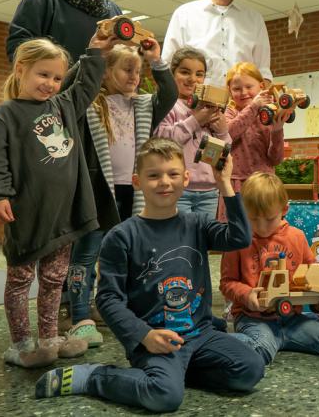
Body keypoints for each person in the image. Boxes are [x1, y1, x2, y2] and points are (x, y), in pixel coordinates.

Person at [34, 138, 265, 412]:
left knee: (251, 370)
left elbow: (239, 237)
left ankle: (175, 374)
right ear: (137, 181)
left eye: (173, 174)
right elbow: (108, 299)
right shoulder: (121, 237)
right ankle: (94, 377)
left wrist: (224, 184)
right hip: (154, 339)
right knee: (164, 397)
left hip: (200, 334)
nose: (164, 182)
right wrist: (144, 336)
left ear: (186, 179)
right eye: (153, 175)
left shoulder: (198, 223)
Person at [0, 35, 113, 368]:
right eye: (43, 75)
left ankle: (50, 336)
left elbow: (86, 86)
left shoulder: (64, 106)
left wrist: (96, 52)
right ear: (21, 69)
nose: (51, 84)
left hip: (64, 215)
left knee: (55, 280)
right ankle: (21, 343)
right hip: (28, 213)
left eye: (57, 77)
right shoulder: (5, 115)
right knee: (20, 279)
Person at [65, 40, 176, 348]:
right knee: (86, 255)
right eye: (127, 69)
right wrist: (93, 55)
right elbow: (68, 85)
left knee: (130, 256)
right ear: (105, 72)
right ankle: (79, 317)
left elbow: (169, 94)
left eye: (138, 71)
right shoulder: (90, 104)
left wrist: (156, 61)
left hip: (132, 193)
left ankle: (122, 309)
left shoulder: (142, 104)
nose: (134, 77)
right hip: (98, 192)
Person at [219, 172, 319, 365]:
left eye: (269, 219)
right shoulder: (238, 240)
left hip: (292, 320)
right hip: (253, 319)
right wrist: (247, 295)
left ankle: (278, 340)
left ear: (284, 210)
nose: (262, 227)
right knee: (257, 352)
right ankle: (220, 343)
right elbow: (226, 283)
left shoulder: (296, 237)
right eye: (253, 219)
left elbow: (313, 278)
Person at [155, 47, 230, 221]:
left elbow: (225, 152)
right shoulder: (169, 106)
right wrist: (196, 120)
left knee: (202, 242)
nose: (192, 79)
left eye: (199, 74)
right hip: (178, 189)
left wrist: (223, 131)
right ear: (173, 74)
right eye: (185, 72)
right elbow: (164, 142)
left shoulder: (209, 108)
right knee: (178, 240)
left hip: (209, 191)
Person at [223, 62, 286, 197]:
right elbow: (228, 134)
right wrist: (253, 106)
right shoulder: (229, 112)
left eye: (249, 86)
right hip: (236, 184)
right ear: (230, 90)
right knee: (236, 218)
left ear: (261, 86)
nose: (243, 92)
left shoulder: (268, 113)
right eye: (237, 89)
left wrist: (277, 130)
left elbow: (276, 159)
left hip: (264, 185)